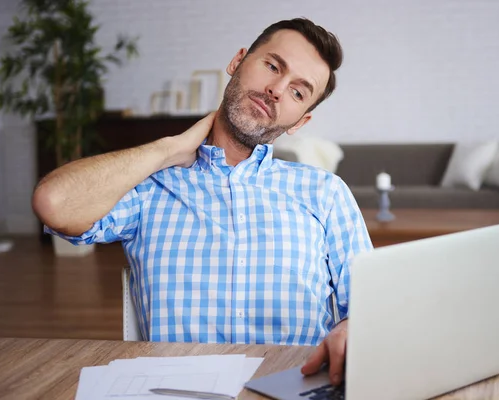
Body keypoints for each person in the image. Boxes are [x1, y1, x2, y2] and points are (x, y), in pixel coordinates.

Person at [32, 17, 372, 386]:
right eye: (273, 66)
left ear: (300, 122)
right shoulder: (152, 187)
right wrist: (170, 149)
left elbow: (371, 310)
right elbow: (53, 202)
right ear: (238, 61)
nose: (276, 89)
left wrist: (354, 328)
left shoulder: (325, 193)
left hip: (294, 387)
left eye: (297, 92)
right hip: (175, 390)